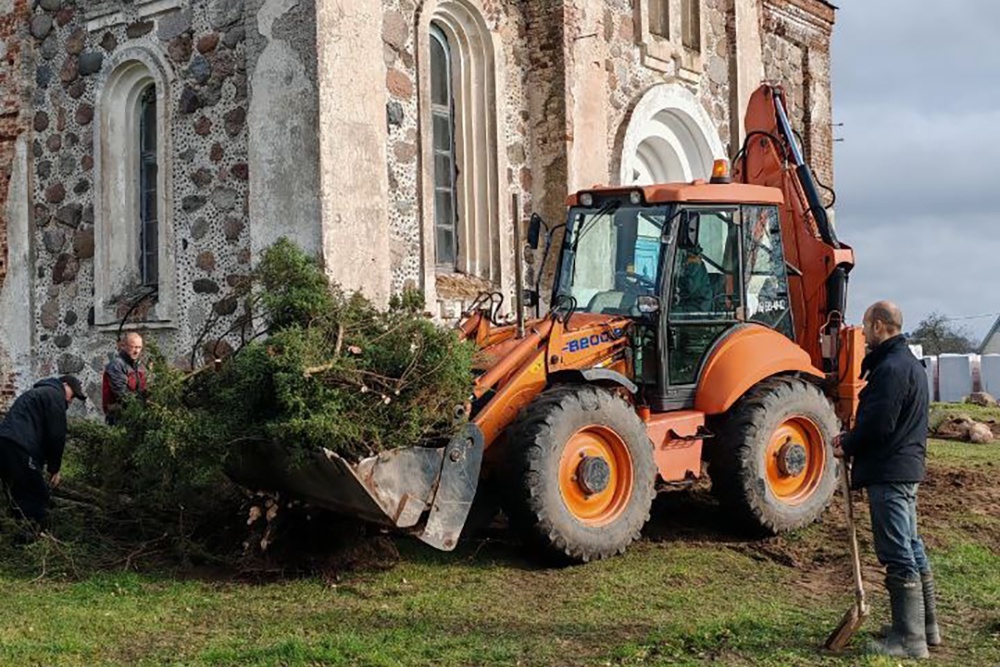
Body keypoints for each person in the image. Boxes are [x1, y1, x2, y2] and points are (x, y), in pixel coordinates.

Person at [833, 300, 939, 659]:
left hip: (890, 471)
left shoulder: (891, 369)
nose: (862, 335)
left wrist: (846, 445)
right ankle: (926, 628)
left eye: (865, 327)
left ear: (880, 326)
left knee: (897, 552)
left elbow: (879, 426)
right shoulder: (910, 365)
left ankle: (908, 641)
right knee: (911, 545)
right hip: (905, 469)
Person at [0, 375, 86, 527]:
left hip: (6, 443)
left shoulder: (39, 394)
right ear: (64, 385)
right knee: (36, 494)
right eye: (72, 395)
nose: (70, 401)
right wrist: (55, 469)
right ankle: (29, 540)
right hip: (20, 447)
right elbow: (56, 435)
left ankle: (15, 530)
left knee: (17, 492)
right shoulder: (54, 395)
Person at [102, 332, 147, 425]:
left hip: (134, 416)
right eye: (134, 347)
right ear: (124, 346)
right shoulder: (116, 365)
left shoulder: (138, 366)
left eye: (139, 347)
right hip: (119, 418)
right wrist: (142, 403)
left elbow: (142, 389)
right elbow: (122, 394)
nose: (137, 351)